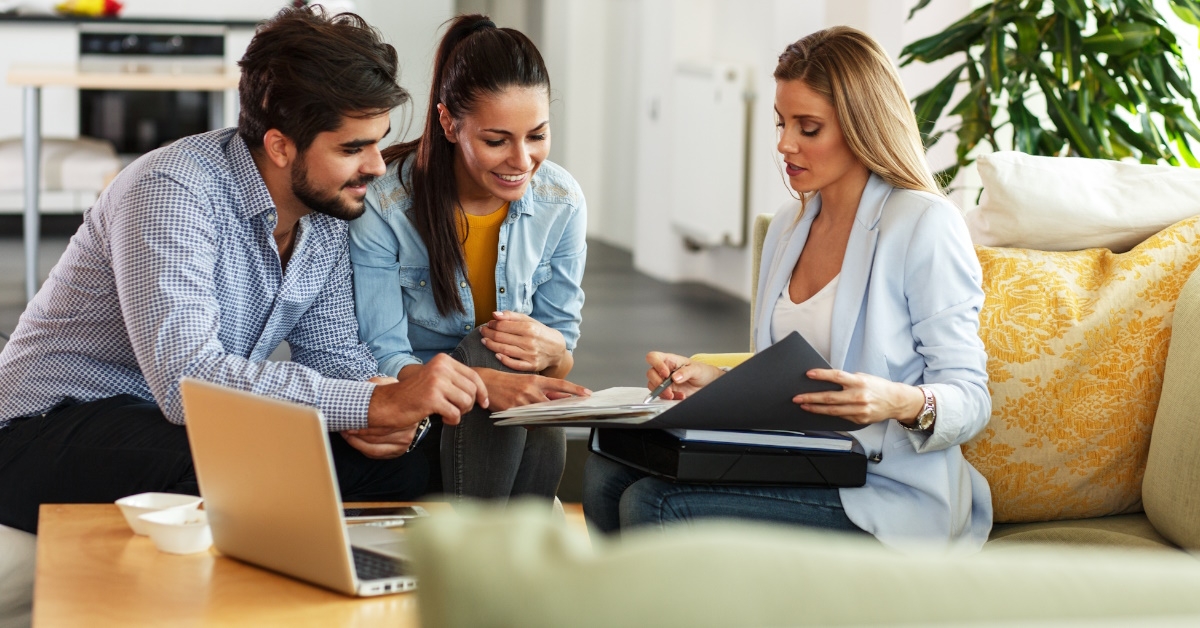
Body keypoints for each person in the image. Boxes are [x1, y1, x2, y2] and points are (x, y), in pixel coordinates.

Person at [0, 7, 487, 535]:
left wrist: (389, 416)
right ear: (280, 145)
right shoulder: (171, 192)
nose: (375, 165)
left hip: (174, 424)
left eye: (376, 140)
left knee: (406, 463)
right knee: (239, 462)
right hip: (45, 428)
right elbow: (188, 379)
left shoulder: (323, 215)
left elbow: (336, 356)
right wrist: (370, 401)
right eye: (352, 148)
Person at [582, 26, 993, 550]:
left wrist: (895, 401)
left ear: (860, 126)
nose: (784, 144)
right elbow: (788, 379)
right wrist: (718, 380)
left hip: (885, 491)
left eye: (808, 127)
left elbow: (972, 398)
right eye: (782, 122)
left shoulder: (923, 225)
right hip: (800, 465)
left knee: (653, 503)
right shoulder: (787, 226)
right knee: (605, 474)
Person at [350, 14, 588, 503]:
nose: (522, 161)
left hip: (506, 424)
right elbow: (383, 355)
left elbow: (559, 356)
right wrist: (483, 381)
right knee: (488, 349)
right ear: (448, 123)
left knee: (520, 366)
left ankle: (506, 550)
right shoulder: (386, 202)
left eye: (537, 136)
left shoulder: (562, 200)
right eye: (496, 141)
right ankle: (509, 546)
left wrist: (553, 352)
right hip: (422, 416)